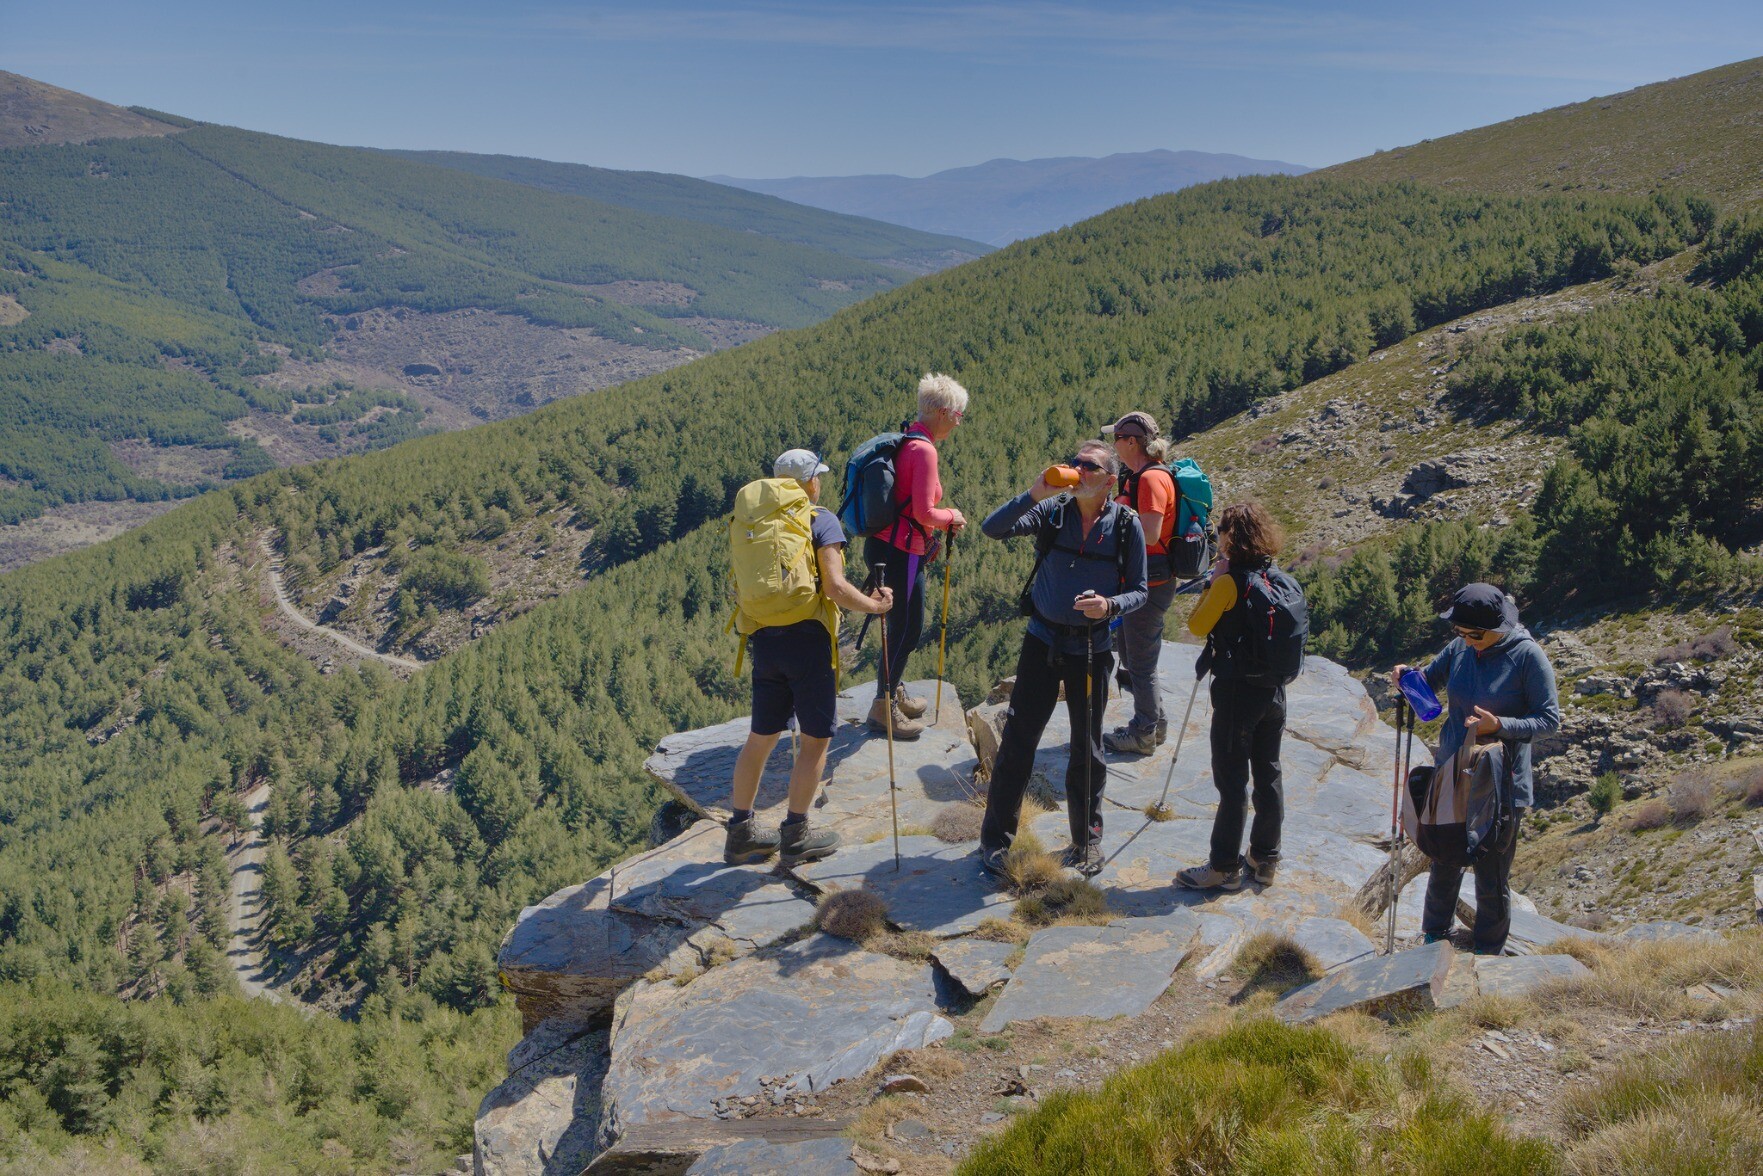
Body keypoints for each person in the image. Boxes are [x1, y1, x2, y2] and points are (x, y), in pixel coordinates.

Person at [977, 440, 1148, 879]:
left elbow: (1141, 591)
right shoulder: (1052, 510)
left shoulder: (1127, 526)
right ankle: (995, 842)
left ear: (1109, 480)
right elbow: (991, 528)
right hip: (1042, 640)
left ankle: (1086, 841)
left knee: (1086, 749)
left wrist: (1109, 606)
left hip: (1091, 648)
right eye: (1074, 462)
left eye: (1087, 466)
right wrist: (1033, 493)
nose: (1075, 470)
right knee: (1018, 741)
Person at [725, 449, 894, 867]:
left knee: (760, 737)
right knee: (816, 740)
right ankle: (797, 834)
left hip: (764, 637)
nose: (820, 482)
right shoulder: (819, 519)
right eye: (817, 476)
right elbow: (835, 587)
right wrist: (875, 606)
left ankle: (741, 833)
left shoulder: (753, 520)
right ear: (809, 482)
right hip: (808, 639)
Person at [1392, 584, 1560, 954]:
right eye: (1459, 632)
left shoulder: (1528, 657)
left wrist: (1497, 725)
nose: (1466, 641)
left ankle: (1488, 952)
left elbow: (1549, 721)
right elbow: (1430, 683)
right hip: (1451, 774)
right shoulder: (1459, 649)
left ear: (1498, 628)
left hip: (1501, 785)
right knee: (1443, 859)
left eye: (1474, 635)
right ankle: (1434, 939)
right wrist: (1407, 679)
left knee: (1491, 874)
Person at [1176, 502, 1298, 891]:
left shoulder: (1230, 581)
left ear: (1231, 537)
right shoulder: (1277, 578)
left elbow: (1197, 626)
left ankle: (1223, 867)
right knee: (1269, 774)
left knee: (1232, 783)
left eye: (1221, 534)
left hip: (1236, 695)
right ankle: (1265, 860)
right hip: (1274, 693)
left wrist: (1214, 580)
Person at [864, 373, 968, 740]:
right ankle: (883, 706)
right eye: (957, 414)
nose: (958, 421)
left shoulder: (908, 439)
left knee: (901, 626)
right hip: (901, 551)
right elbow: (925, 513)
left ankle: (891, 691)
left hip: (885, 546)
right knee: (907, 629)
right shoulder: (924, 450)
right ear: (942, 412)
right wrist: (951, 517)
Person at [1102, 411, 1179, 755]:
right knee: (1136, 655)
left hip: (1151, 581)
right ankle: (1155, 724)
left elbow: (1149, 532)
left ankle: (1143, 733)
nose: (1114, 446)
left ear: (1131, 442)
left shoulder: (1149, 480)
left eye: (1116, 440)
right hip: (1152, 578)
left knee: (1140, 663)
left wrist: (1118, 514)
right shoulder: (1147, 476)